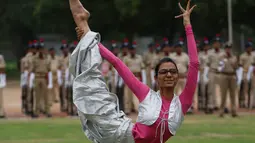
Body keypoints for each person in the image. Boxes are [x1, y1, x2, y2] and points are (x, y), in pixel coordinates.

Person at [70, 0, 198, 143]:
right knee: (95, 99)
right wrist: (90, 40)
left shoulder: (183, 103)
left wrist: (188, 25)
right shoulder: (147, 95)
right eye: (163, 72)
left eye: (173, 71)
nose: (168, 74)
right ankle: (84, 27)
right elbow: (117, 63)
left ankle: (85, 29)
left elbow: (194, 64)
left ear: (177, 76)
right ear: (156, 78)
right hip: (122, 135)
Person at [218, 44, 238, 117]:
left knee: (233, 94)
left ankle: (234, 111)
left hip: (232, 75)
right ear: (225, 49)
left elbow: (236, 67)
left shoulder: (234, 57)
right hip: (224, 75)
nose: (228, 50)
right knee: (223, 94)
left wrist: (233, 62)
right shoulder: (221, 57)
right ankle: (221, 112)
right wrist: (225, 59)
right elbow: (219, 68)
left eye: (229, 48)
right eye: (227, 48)